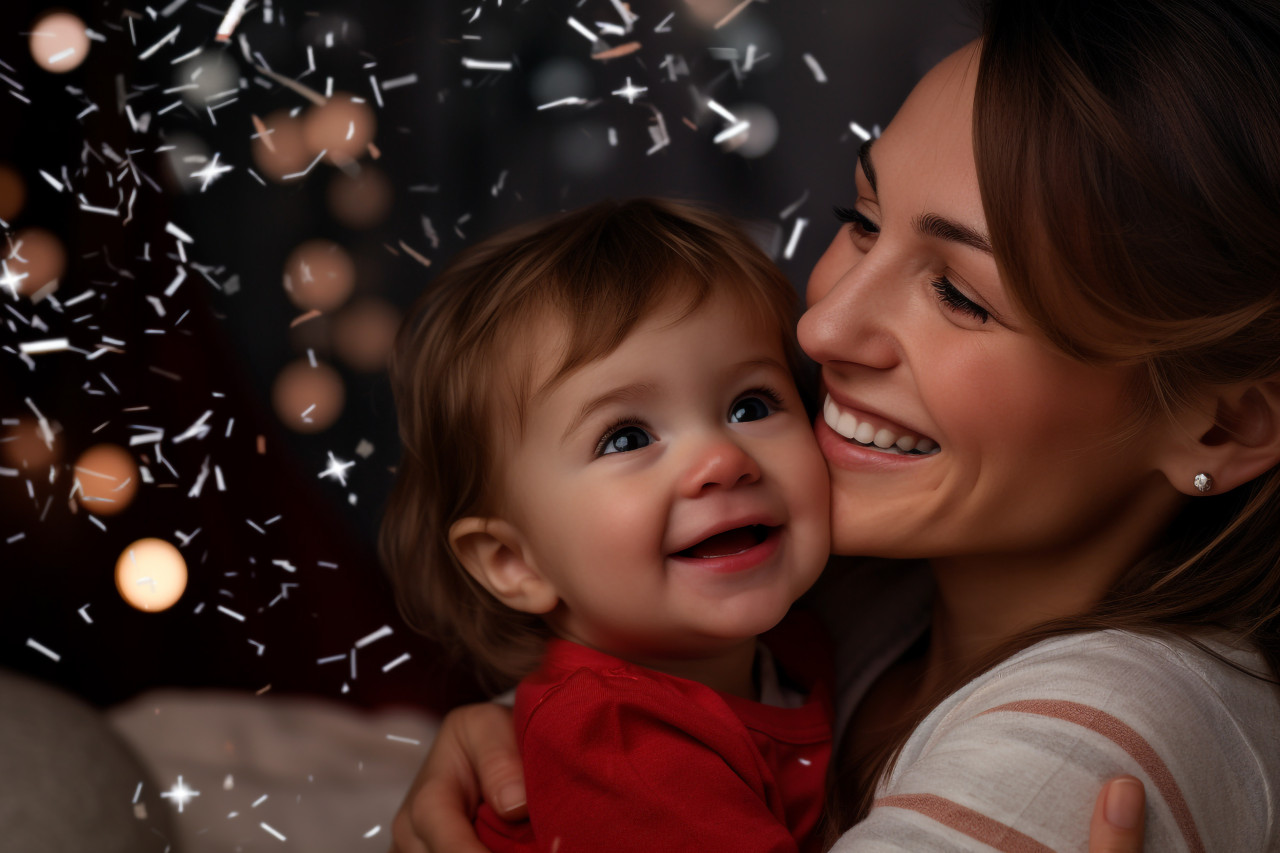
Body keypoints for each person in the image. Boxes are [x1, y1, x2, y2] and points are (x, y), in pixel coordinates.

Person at [392, 1, 1280, 850]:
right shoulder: (841, 605)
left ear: (1225, 426)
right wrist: (525, 738)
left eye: (960, 295)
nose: (819, 329)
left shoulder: (1097, 739)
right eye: (861, 221)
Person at [380, 198, 838, 851]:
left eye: (750, 404)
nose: (722, 460)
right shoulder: (613, 735)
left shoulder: (804, 641)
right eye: (625, 438)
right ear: (515, 561)